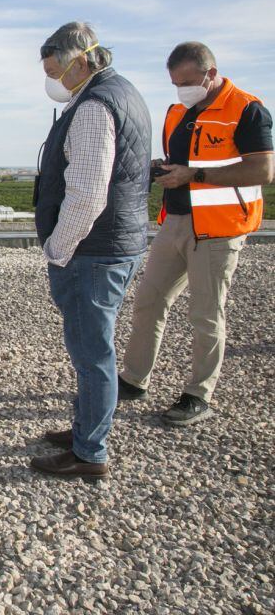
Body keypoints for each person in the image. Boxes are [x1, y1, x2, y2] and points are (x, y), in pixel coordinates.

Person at [119, 42, 273, 426]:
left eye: (186, 81)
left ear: (210, 73)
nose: (180, 90)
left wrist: (196, 176)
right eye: (174, 83)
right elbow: (182, 163)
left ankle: (198, 394)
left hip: (219, 229)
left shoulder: (247, 109)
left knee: (206, 313)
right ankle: (134, 380)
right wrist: (164, 169)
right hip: (175, 220)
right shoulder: (177, 112)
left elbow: (263, 171)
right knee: (149, 301)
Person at [30, 21, 151, 481]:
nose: (53, 81)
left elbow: (86, 194)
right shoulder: (122, 92)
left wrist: (58, 249)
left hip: (92, 251)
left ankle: (90, 452)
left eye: (57, 70)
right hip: (115, 243)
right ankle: (85, 428)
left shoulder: (95, 106)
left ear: (82, 60)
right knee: (93, 346)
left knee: (92, 353)